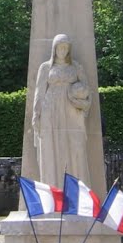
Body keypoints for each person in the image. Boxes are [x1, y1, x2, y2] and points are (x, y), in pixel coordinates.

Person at [32, 33, 92, 188]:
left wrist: (79, 99)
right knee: (51, 149)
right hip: (50, 109)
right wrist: (36, 115)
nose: (63, 50)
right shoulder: (46, 67)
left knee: (75, 149)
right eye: (60, 47)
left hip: (71, 109)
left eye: (66, 47)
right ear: (54, 48)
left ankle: (77, 190)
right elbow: (39, 92)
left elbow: (87, 90)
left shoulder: (76, 67)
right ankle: (54, 188)